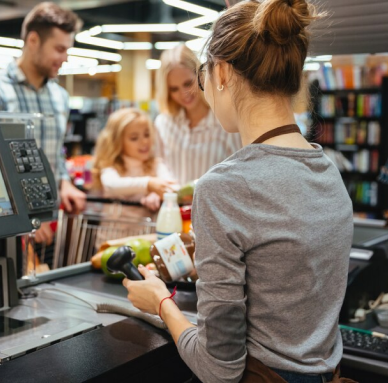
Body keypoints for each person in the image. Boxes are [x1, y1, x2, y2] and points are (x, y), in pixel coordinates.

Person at [124, 1, 355, 382]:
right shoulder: (327, 171)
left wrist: (162, 304)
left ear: (223, 73)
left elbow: (220, 368)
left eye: (202, 74)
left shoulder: (223, 188)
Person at [0, 2, 86, 245]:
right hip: (0, 226)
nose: (65, 58)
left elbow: (55, 153)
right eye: (59, 49)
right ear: (33, 40)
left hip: (48, 222)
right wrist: (24, 217)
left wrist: (64, 183)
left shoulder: (59, 97)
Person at [154, 44, 241, 185]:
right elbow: (158, 161)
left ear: (201, 75)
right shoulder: (163, 123)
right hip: (174, 205)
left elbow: (240, 168)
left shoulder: (226, 121)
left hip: (215, 205)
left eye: (188, 83)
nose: (184, 94)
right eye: (174, 89)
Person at [92, 108, 174, 212]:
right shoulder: (110, 166)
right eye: (134, 138)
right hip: (113, 227)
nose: (144, 141)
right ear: (117, 142)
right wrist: (148, 184)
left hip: (146, 228)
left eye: (147, 135)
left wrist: (157, 194)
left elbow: (172, 187)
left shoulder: (156, 164)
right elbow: (111, 185)